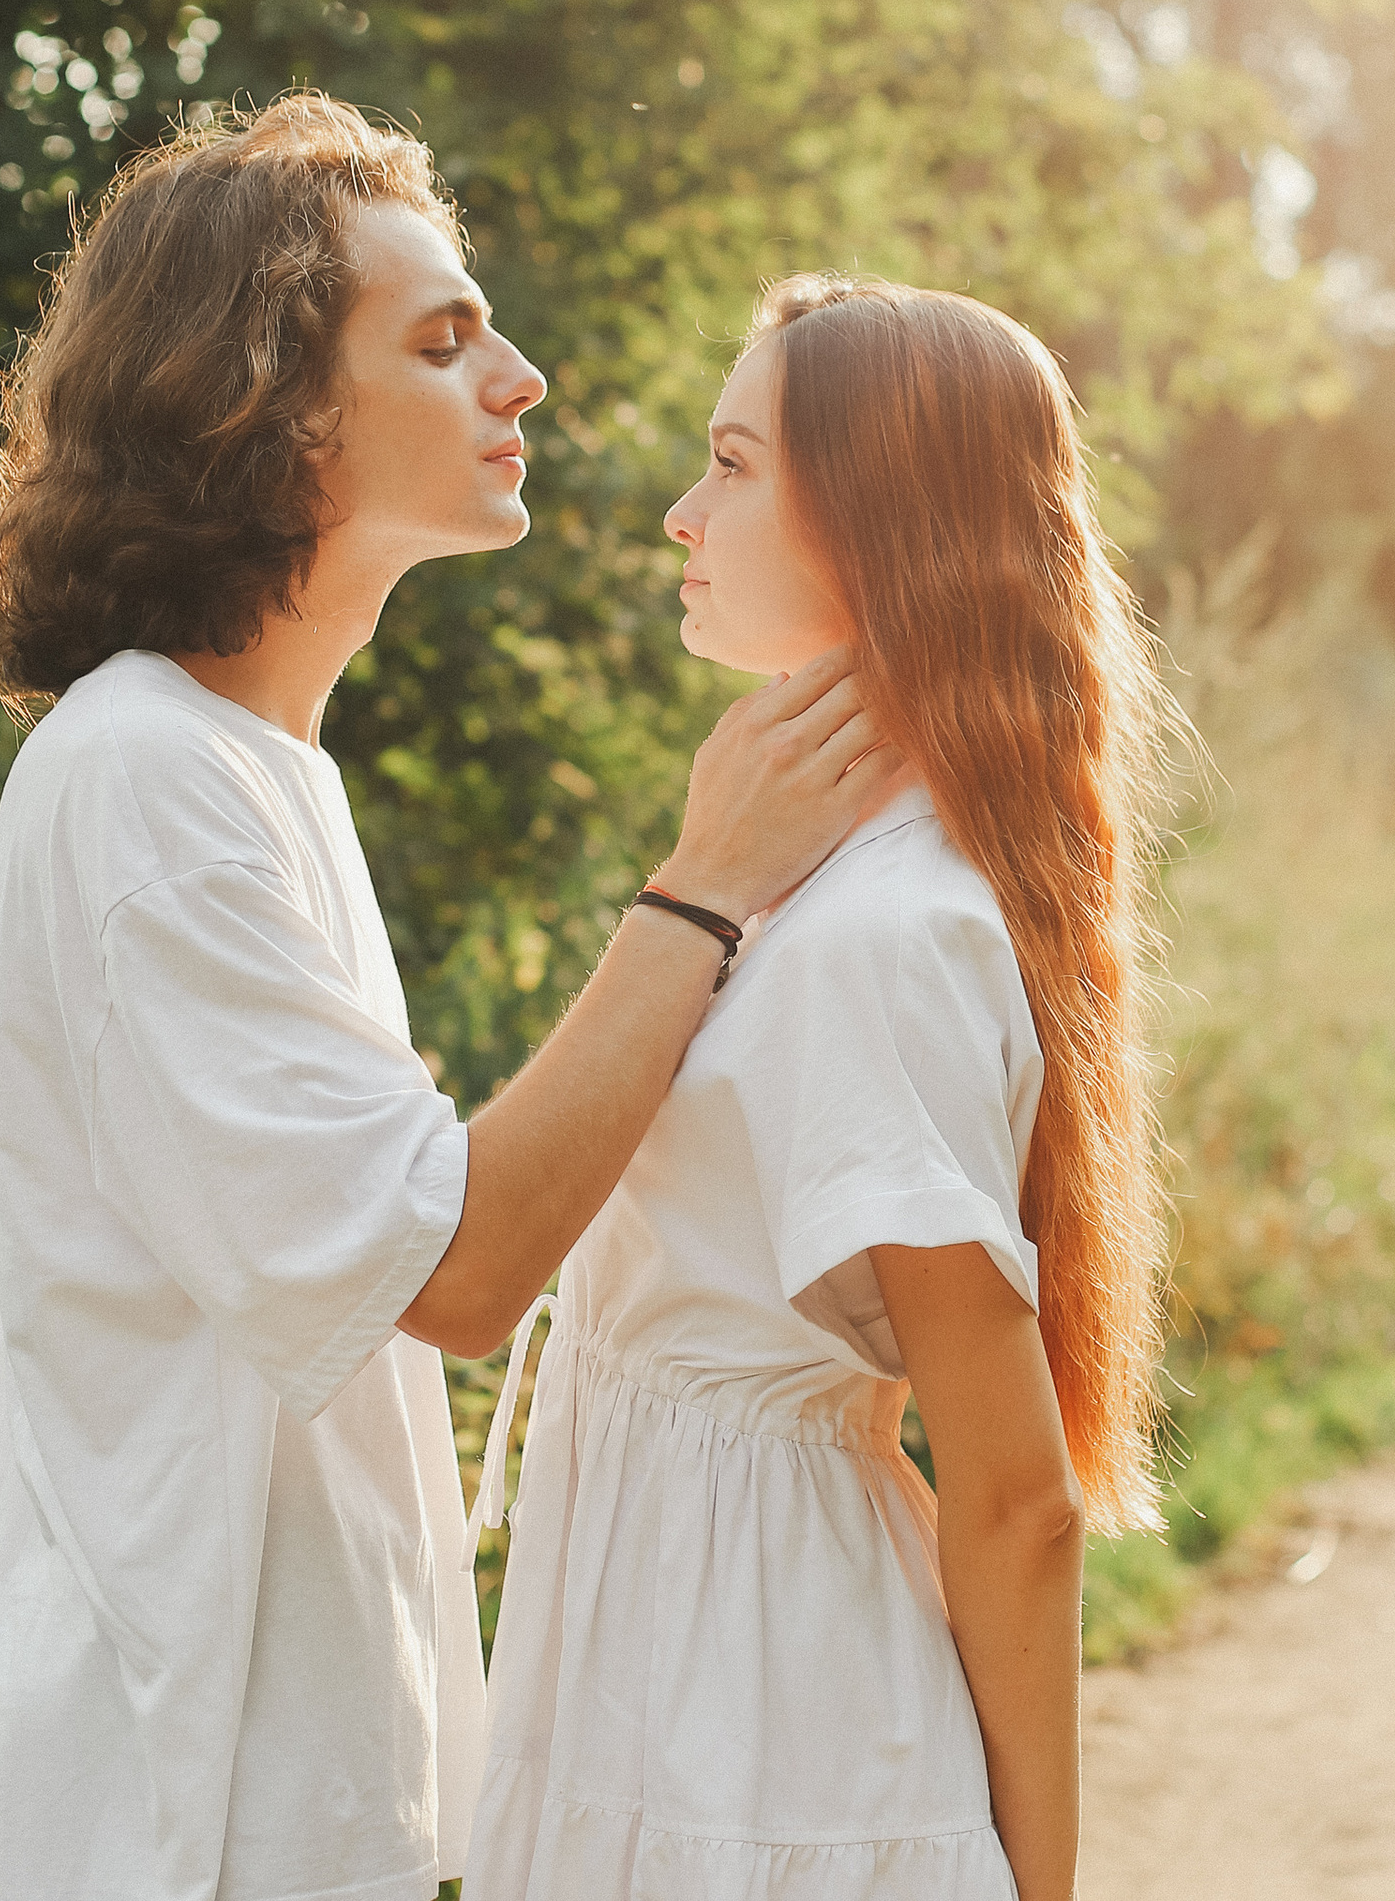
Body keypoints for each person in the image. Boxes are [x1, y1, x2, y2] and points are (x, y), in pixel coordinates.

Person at [0, 96, 888, 1901]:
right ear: (260, 399)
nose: (520, 378)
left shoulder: (256, 764)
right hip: (183, 1821)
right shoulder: (146, 780)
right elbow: (450, 1276)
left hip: (288, 1794)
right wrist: (704, 888)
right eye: (444, 340)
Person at [463, 274, 1171, 1901]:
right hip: (681, 1693)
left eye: (729, 462)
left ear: (874, 518)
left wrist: (1038, 1889)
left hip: (769, 1743)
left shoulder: (883, 937)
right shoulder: (816, 885)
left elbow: (1014, 1495)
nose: (676, 513)